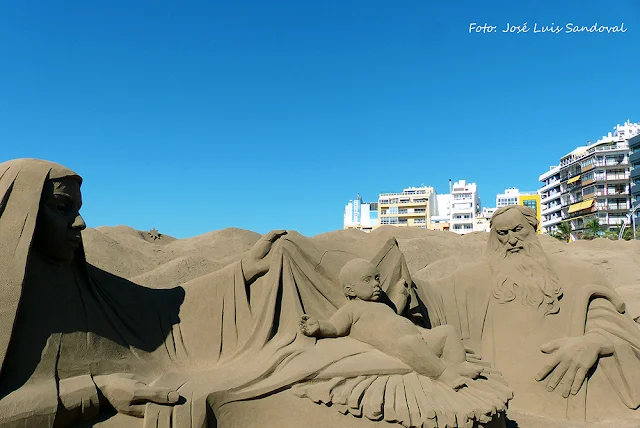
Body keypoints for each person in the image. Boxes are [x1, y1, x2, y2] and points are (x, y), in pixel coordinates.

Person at [0, 158, 287, 427]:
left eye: (77, 210)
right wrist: (96, 391)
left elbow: (163, 308)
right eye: (62, 207)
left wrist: (242, 271)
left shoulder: (85, 282)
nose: (81, 223)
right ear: (19, 213)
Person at [426, 205, 640, 422]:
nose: (511, 240)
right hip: (500, 402)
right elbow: (427, 299)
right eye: (502, 234)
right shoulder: (470, 279)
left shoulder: (580, 274)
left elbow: (618, 326)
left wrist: (594, 342)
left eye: (518, 230)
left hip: (566, 399)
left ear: (533, 227)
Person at [299, 259, 482, 390]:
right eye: (367, 280)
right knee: (410, 342)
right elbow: (336, 328)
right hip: (403, 347)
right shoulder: (351, 309)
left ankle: (458, 364)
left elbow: (395, 310)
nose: (376, 284)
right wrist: (318, 326)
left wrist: (401, 293)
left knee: (447, 331)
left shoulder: (381, 305)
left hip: (421, 338)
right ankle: (443, 374)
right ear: (350, 290)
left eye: (377, 279)